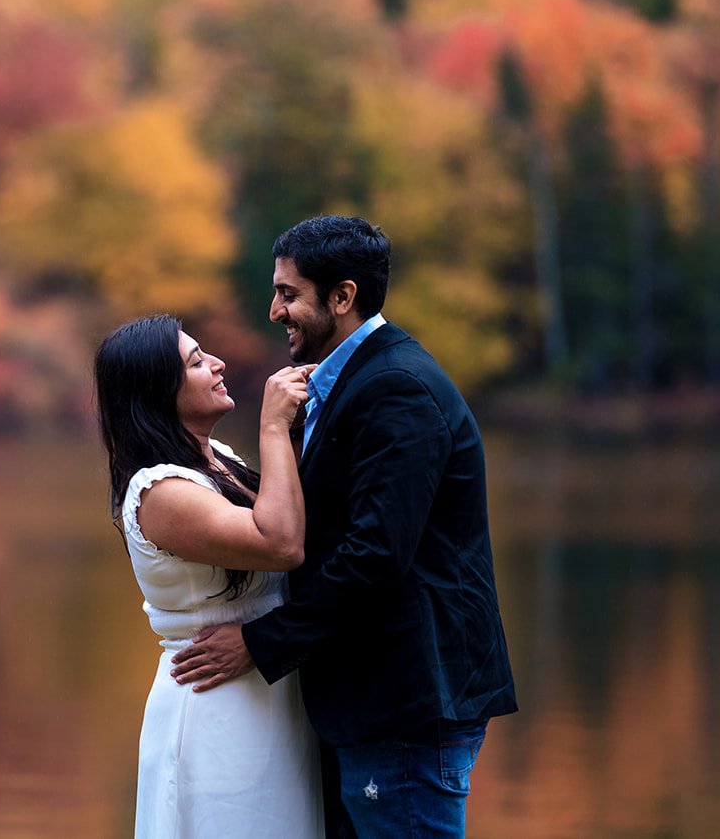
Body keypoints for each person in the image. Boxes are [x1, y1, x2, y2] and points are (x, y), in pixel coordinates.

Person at [168, 215, 518, 838]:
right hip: (370, 703)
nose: (275, 311)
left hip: (406, 703)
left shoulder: (397, 389)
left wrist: (259, 642)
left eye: (288, 294)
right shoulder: (342, 384)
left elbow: (374, 558)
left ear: (343, 297)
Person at [94, 313, 326, 839]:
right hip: (215, 708)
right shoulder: (162, 492)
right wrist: (271, 427)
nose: (218, 364)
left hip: (266, 693)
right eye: (197, 362)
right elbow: (281, 543)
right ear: (157, 392)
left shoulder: (214, 459)